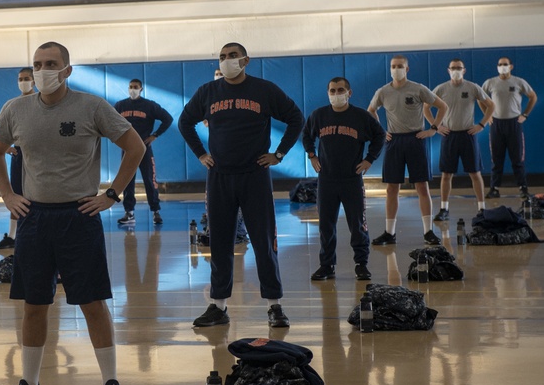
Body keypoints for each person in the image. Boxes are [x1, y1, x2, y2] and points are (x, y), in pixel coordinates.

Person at [0, 41, 145, 385]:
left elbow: (134, 147)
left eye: (51, 64)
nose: (42, 70)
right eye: (38, 64)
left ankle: (110, 384)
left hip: (80, 216)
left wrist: (112, 194)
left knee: (92, 303)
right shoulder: (16, 109)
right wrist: (8, 195)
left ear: (67, 70)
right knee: (34, 305)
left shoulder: (91, 107)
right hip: (34, 219)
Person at [178, 42, 304, 329]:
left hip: (254, 175)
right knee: (219, 242)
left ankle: (274, 305)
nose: (226, 61)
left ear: (245, 60)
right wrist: (201, 154)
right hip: (219, 176)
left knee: (263, 242)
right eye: (222, 57)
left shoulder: (264, 89)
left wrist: (279, 154)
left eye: (232, 56)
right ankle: (218, 306)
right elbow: (185, 122)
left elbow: (296, 118)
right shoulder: (208, 92)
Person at [301, 77, 385, 282]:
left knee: (357, 225)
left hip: (352, 180)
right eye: (332, 90)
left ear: (349, 93)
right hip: (327, 180)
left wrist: (369, 159)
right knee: (325, 225)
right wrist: (312, 155)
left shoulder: (360, 117)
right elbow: (306, 135)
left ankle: (361, 264)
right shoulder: (319, 115)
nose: (336, 94)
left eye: (340, 90)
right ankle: (327, 265)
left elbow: (379, 136)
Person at [366, 54, 448, 246]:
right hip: (394, 141)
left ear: (407, 69)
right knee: (392, 188)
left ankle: (428, 231)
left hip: (416, 140)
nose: (396, 69)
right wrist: (381, 131)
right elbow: (371, 110)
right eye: (393, 66)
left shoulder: (418, 88)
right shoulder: (383, 91)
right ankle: (389, 232)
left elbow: (442, 106)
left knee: (422, 186)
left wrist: (433, 129)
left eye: (400, 66)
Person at [430, 59, 495, 220]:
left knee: (475, 173)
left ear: (464, 70)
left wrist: (481, 124)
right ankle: (444, 209)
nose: (456, 70)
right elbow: (425, 106)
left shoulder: (472, 87)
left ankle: (482, 208)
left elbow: (491, 105)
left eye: (459, 68)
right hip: (449, 135)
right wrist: (436, 126)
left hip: (468, 135)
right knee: (446, 175)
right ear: (448, 70)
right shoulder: (441, 89)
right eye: (453, 68)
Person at [113, 78, 172, 227]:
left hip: (144, 149)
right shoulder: (120, 105)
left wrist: (155, 135)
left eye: (136, 87)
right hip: (127, 150)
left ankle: (155, 212)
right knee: (127, 181)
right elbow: (109, 121)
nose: (133, 89)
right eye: (131, 87)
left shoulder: (149, 105)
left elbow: (168, 119)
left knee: (150, 180)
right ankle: (129, 213)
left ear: (141, 89)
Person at [482, 56, 537, 198]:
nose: (502, 66)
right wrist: (487, 116)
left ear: (511, 66)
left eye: (505, 64)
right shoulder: (490, 83)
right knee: (496, 158)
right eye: (500, 64)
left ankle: (523, 188)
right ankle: (494, 188)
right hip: (496, 124)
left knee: (517, 158)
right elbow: (480, 99)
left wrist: (525, 114)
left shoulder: (519, 82)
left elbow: (533, 97)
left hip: (514, 123)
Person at [0, 67, 35, 250]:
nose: (23, 81)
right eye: (20, 79)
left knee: (37, 198)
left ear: (34, 81)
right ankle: (12, 236)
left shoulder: (40, 103)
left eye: (27, 78)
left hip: (37, 157)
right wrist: (9, 147)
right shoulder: (12, 106)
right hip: (19, 156)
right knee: (16, 196)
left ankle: (34, 236)